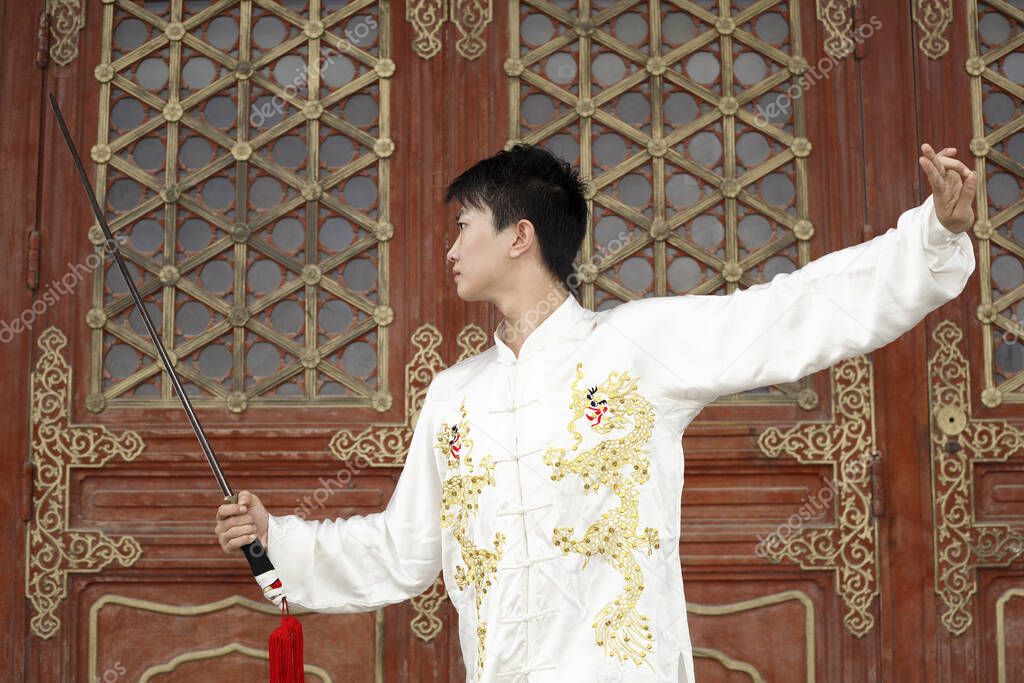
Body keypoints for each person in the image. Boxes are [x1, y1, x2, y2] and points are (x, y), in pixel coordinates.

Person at [216, 142, 977, 682]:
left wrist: (931, 238)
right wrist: (276, 538)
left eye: (463, 224)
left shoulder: (635, 346)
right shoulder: (455, 394)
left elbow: (787, 315)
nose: (449, 247)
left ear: (520, 235)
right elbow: (404, 548)